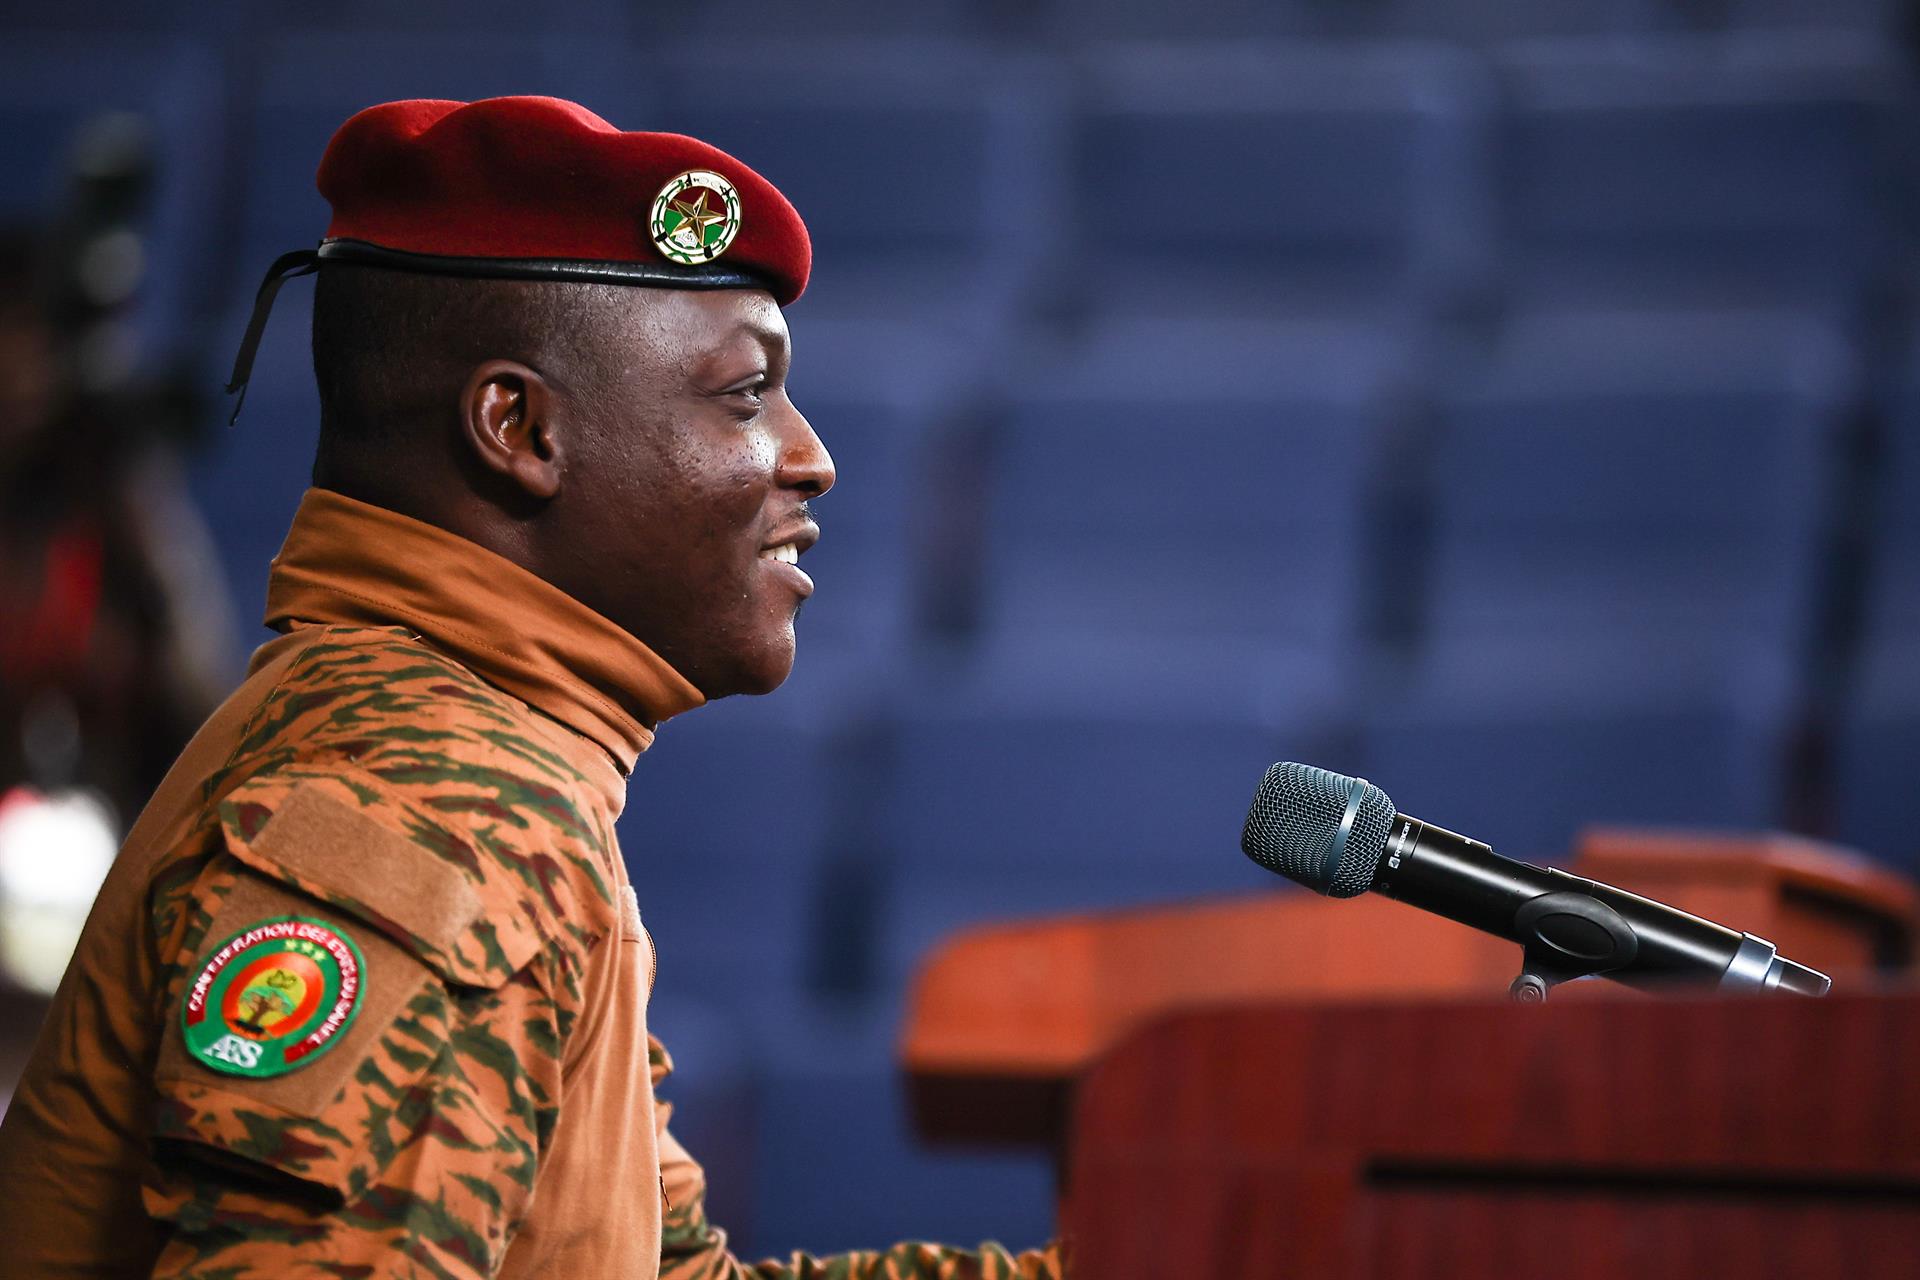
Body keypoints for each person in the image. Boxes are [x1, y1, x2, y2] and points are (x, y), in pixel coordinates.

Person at [0, 95, 1065, 1279]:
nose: (809, 455)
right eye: (745, 393)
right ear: (520, 428)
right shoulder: (440, 812)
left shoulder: (460, 748)